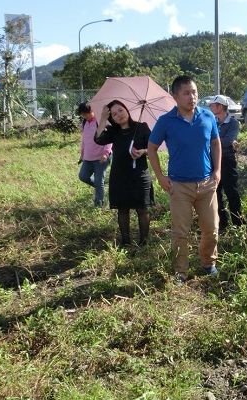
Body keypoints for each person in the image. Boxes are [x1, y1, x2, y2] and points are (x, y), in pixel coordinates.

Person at [148, 76, 221, 282]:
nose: (192, 97)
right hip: (179, 186)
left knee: (212, 229)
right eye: (187, 93)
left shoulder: (207, 116)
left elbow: (216, 143)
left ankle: (208, 263)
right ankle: (181, 272)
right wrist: (160, 176)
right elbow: (151, 149)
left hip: (206, 184)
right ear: (175, 96)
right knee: (181, 233)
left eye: (195, 92)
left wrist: (218, 171)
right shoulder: (166, 121)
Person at [95, 100, 152, 245]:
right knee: (122, 210)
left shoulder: (142, 127)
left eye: (120, 110)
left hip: (140, 175)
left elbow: (153, 148)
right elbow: (98, 139)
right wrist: (102, 118)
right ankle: (126, 242)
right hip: (119, 176)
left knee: (142, 210)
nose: (119, 115)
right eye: (114, 114)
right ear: (111, 118)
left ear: (126, 109)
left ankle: (143, 243)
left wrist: (142, 151)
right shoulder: (113, 131)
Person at [208, 95, 243, 232]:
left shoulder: (233, 123)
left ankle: (238, 223)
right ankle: (223, 222)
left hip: (227, 161)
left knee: (231, 192)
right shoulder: (213, 121)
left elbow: (228, 140)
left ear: (220, 107)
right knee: (216, 192)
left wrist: (213, 142)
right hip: (213, 160)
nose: (210, 107)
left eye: (213, 105)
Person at [76, 102, 112, 207]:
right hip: (88, 157)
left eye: (86, 114)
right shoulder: (85, 123)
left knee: (98, 180)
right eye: (82, 115)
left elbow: (109, 139)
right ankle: (99, 186)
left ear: (92, 110)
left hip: (101, 157)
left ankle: (98, 204)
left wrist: (106, 153)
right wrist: (82, 155)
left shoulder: (101, 121)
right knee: (83, 176)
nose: (85, 116)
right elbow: (84, 140)